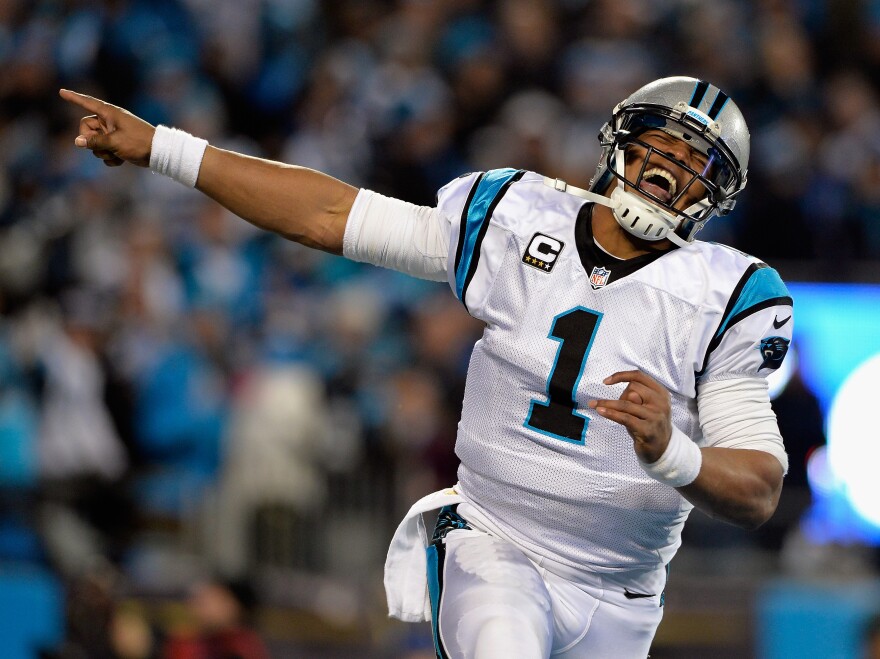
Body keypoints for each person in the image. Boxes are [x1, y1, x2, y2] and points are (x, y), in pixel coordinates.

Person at [61, 75, 792, 658]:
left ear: (716, 194)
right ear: (619, 144)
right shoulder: (516, 214)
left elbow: (758, 487)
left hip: (622, 594)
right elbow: (330, 214)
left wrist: (672, 452)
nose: (668, 171)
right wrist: (164, 148)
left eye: (695, 164)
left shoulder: (726, 293)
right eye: (661, 146)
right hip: (497, 542)